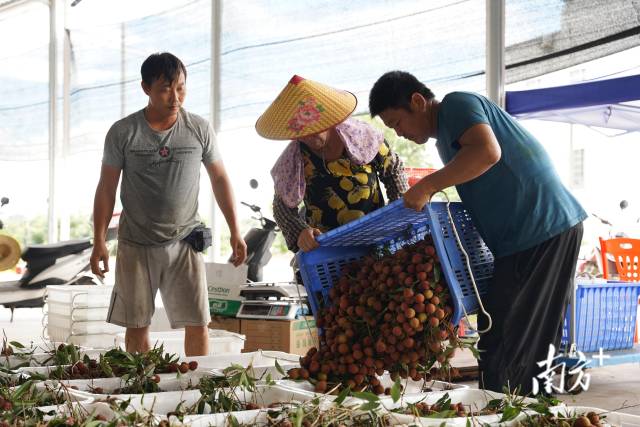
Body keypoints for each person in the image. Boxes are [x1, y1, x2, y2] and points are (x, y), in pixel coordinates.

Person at [369, 71, 587, 395]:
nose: (399, 134)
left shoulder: (456, 105)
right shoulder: (446, 137)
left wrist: (427, 186)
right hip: (533, 236)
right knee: (520, 342)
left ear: (417, 101)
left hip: (540, 229)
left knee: (506, 342)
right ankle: (531, 410)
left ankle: (510, 411)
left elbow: (487, 152)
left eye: (397, 123)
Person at [90, 52, 247, 356]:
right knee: (137, 324)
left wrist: (235, 230)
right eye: (165, 88)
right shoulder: (123, 132)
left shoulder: (198, 129)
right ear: (145, 88)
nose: (175, 97)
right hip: (136, 243)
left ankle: (197, 386)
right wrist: (98, 240)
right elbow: (106, 188)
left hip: (184, 241)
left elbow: (220, 179)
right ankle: (142, 387)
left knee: (198, 321)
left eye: (181, 88)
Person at [255, 75, 408, 253]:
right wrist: (301, 231)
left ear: (329, 118)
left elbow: (394, 169)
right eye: (302, 133)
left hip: (377, 239)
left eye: (316, 128)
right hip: (327, 249)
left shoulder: (362, 136)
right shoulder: (292, 162)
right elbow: (282, 207)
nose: (310, 136)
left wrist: (397, 210)